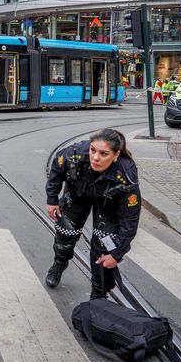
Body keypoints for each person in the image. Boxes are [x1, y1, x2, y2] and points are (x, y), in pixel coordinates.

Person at [44, 129, 141, 300]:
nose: (95, 158)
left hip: (108, 204)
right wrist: (52, 199)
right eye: (93, 150)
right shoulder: (74, 154)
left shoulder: (126, 174)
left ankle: (99, 292)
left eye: (104, 153)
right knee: (65, 235)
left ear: (116, 154)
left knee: (105, 249)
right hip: (77, 194)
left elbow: (130, 218)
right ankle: (59, 264)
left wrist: (117, 254)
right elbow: (57, 169)